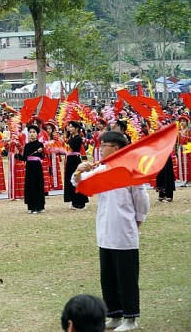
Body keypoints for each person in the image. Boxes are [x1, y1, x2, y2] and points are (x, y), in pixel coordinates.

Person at [73, 131, 149, 332]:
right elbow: (79, 183)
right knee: (108, 277)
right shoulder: (102, 169)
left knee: (126, 278)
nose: (100, 149)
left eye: (104, 145)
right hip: (105, 230)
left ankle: (130, 318)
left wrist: (136, 222)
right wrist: (78, 171)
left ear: (116, 147)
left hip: (124, 231)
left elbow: (142, 200)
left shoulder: (130, 170)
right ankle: (114, 315)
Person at [16, 124, 46, 214]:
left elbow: (43, 156)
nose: (32, 134)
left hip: (37, 167)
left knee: (38, 185)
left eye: (34, 132)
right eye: (30, 132)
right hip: (29, 167)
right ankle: (31, 206)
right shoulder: (27, 146)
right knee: (30, 185)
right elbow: (24, 158)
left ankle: (39, 206)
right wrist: (17, 155)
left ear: (37, 134)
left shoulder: (40, 144)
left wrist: (42, 151)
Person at [63, 122, 89, 210]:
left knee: (77, 179)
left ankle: (80, 202)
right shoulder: (71, 138)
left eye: (71, 127)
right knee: (70, 180)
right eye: (69, 127)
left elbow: (73, 146)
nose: (69, 129)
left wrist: (65, 140)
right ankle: (74, 201)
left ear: (76, 128)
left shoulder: (78, 138)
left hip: (75, 160)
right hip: (70, 160)